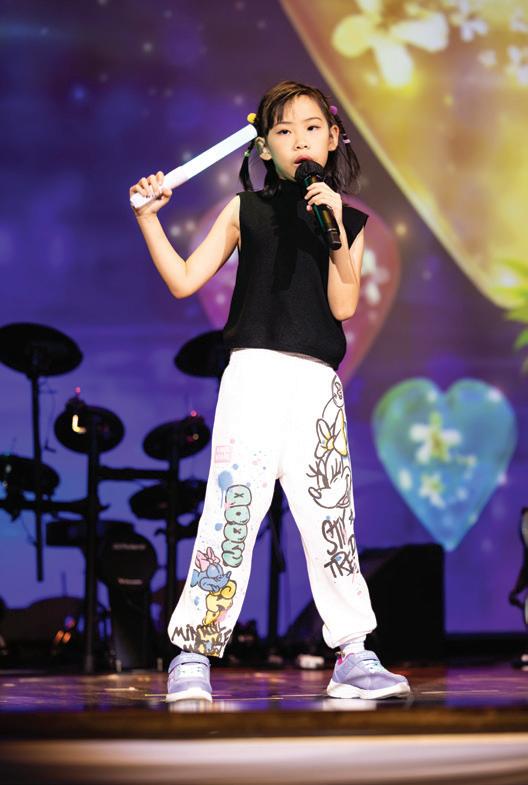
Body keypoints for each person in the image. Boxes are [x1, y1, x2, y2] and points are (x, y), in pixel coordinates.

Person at [129, 80, 410, 703]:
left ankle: (353, 654)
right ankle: (193, 653)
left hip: (316, 384)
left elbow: (343, 303)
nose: (298, 140)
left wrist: (334, 230)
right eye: (283, 131)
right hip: (253, 376)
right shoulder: (244, 210)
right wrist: (149, 218)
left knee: (331, 518)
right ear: (264, 145)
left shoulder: (348, 220)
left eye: (311, 128)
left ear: (333, 138)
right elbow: (184, 280)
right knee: (232, 511)